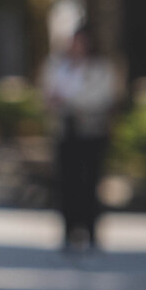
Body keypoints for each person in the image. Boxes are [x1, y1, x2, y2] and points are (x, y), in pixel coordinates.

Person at [41, 26, 121, 250]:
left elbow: (104, 98)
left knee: (90, 182)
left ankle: (91, 230)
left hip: (91, 130)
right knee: (67, 183)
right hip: (66, 130)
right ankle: (69, 230)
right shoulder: (58, 67)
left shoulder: (100, 69)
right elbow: (48, 95)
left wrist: (73, 103)